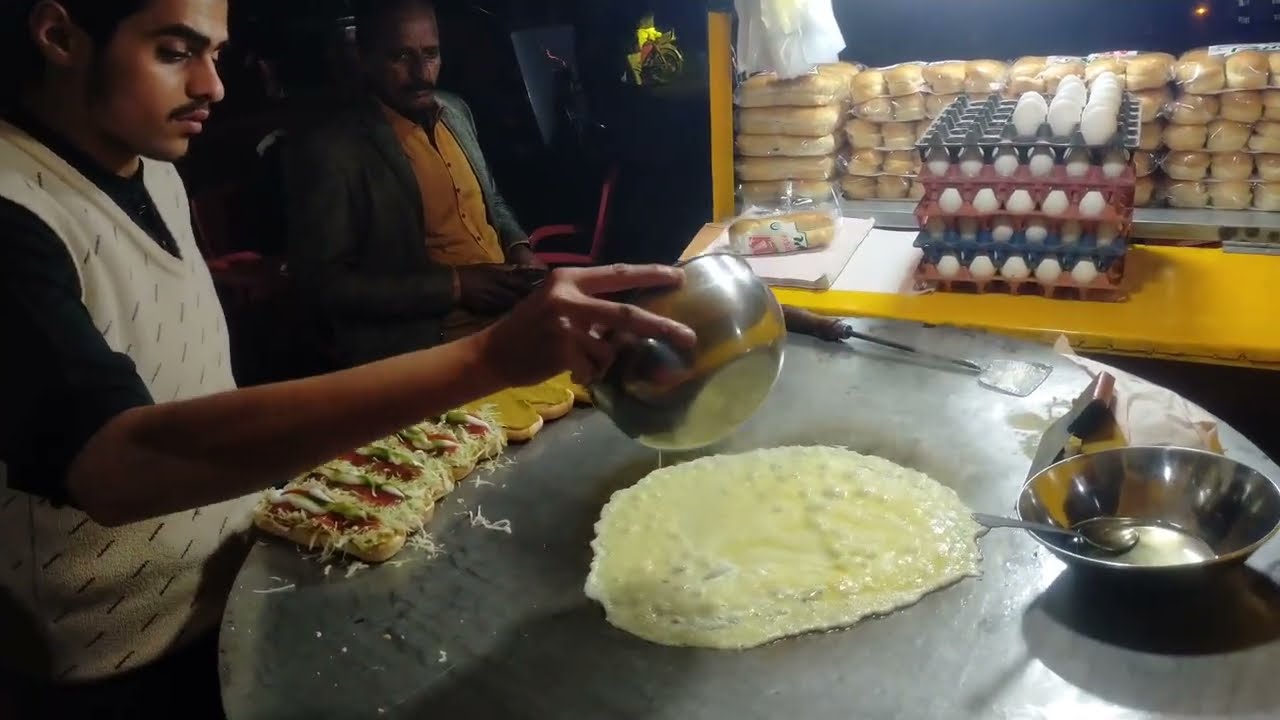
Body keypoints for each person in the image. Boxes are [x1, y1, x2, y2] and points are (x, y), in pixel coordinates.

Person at [0, 0, 693, 715]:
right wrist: (487, 358)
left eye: (215, 53)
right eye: (175, 53)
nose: (214, 86)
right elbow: (117, 469)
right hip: (123, 650)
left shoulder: (154, 169)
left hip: (243, 564)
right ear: (59, 36)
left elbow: (187, 390)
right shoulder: (15, 210)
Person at [282, 0, 548, 370]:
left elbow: (490, 198)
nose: (422, 73)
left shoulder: (456, 110)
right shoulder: (332, 148)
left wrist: (519, 248)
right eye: (401, 56)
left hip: (511, 319)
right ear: (364, 58)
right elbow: (323, 285)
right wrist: (456, 285)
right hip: (429, 348)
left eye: (431, 53)